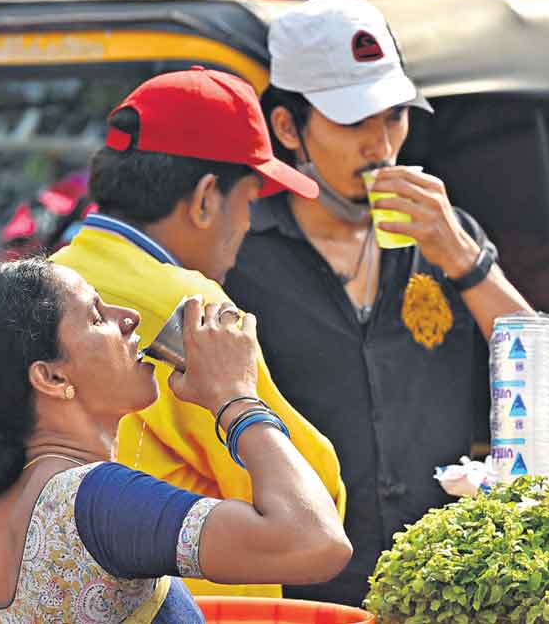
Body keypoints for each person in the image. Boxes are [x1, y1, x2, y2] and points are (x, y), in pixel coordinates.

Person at [222, 0, 549, 606]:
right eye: (353, 121)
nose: (381, 145)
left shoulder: (451, 238)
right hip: (302, 596)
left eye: (395, 117)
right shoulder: (240, 254)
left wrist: (467, 264)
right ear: (288, 129)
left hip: (444, 594)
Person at [47, 68, 347, 599]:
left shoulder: (46, 282)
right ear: (207, 197)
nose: (250, 223)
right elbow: (312, 503)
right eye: (250, 200)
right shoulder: (190, 308)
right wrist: (239, 402)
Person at [0, 258, 352, 622]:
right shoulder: (94, 499)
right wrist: (236, 399)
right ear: (52, 377)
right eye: (97, 316)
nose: (129, 316)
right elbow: (316, 542)